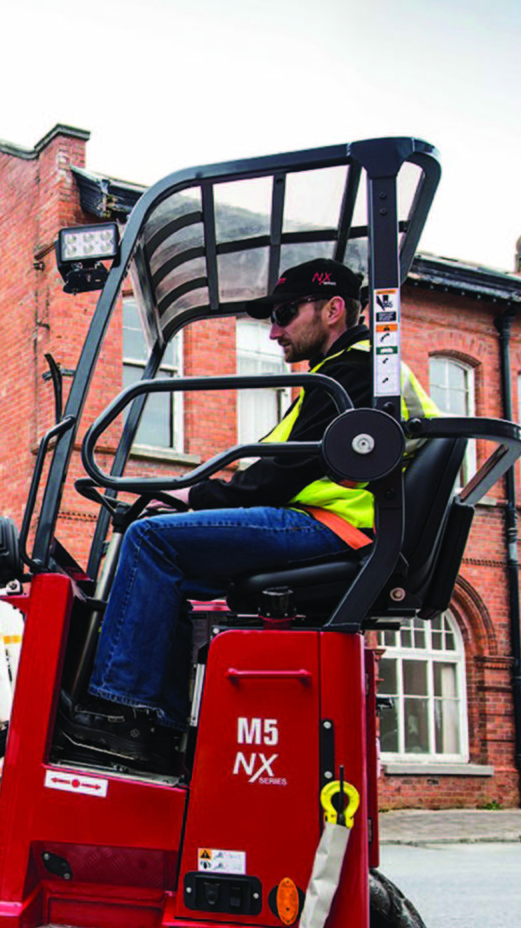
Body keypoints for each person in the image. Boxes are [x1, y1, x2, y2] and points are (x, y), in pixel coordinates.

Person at [62, 257, 436, 765]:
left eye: (285, 314)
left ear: (333, 309)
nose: (275, 331)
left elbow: (282, 475)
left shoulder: (354, 375)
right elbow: (278, 468)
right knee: (162, 560)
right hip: (337, 524)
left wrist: (194, 495)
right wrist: (197, 492)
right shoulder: (342, 375)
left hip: (334, 527)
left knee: (150, 540)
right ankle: (159, 722)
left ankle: (125, 709)